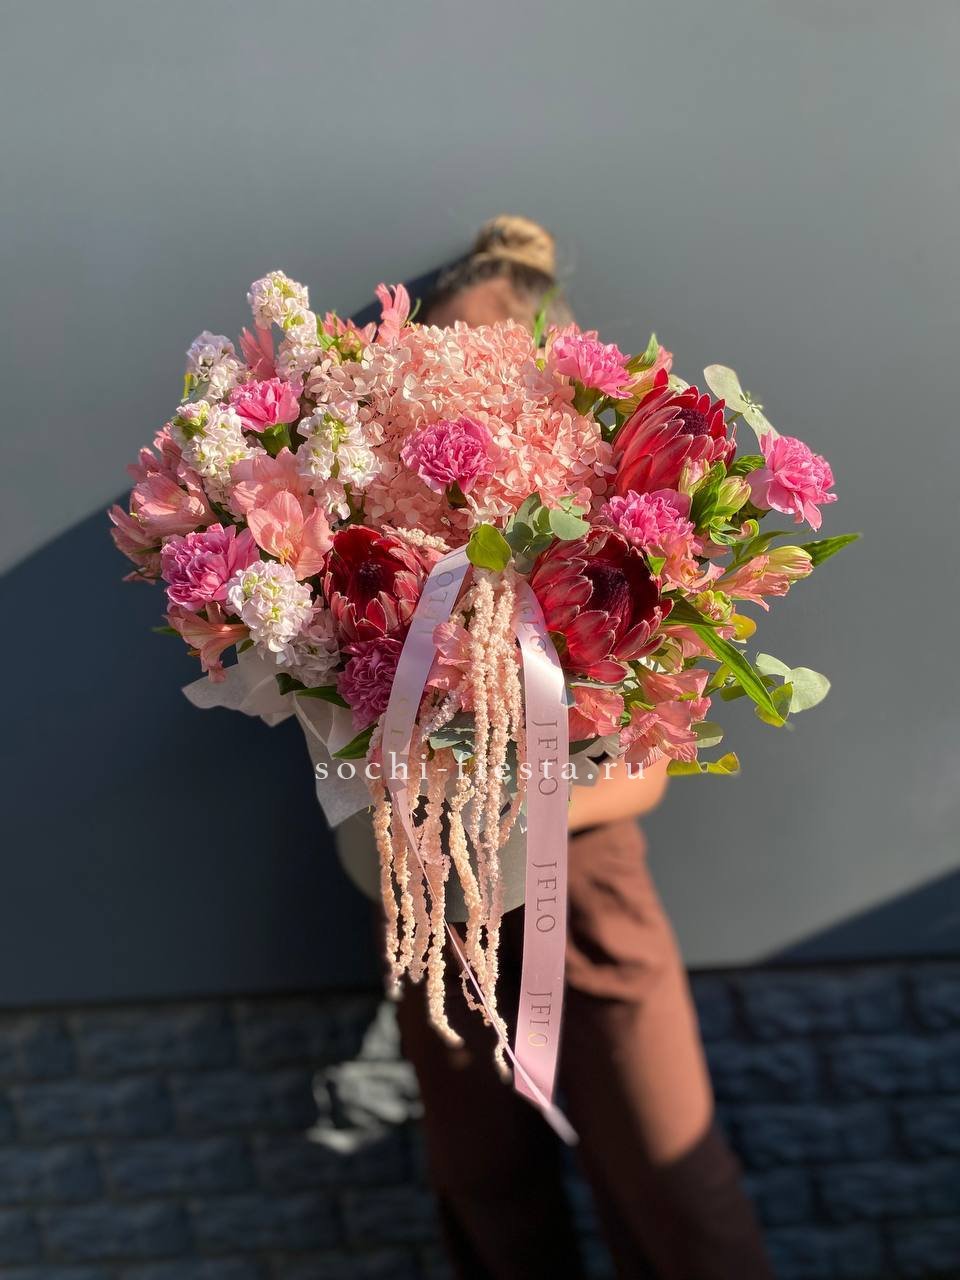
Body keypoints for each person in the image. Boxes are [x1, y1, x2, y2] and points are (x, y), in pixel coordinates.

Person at [338, 216, 774, 1280]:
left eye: (496, 359)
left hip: (587, 897)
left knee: (674, 1186)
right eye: (446, 356)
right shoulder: (380, 542)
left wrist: (500, 805)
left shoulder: (617, 535)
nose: (470, 387)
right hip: (440, 904)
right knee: (485, 1184)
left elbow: (647, 773)